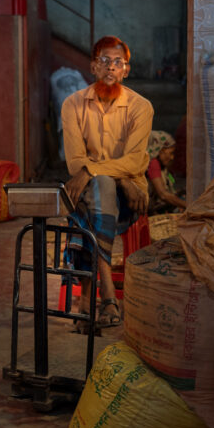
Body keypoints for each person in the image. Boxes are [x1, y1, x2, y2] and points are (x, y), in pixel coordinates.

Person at [60, 35, 153, 329]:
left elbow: (136, 161)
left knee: (100, 188)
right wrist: (113, 176)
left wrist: (100, 173)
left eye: (117, 63)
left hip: (132, 196)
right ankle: (108, 297)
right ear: (92, 67)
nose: (110, 67)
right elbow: (75, 163)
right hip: (94, 193)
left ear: (125, 70)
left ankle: (91, 296)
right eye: (104, 61)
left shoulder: (141, 107)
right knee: (102, 187)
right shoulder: (72, 105)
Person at [146, 130, 186, 213]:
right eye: (170, 153)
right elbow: (163, 194)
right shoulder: (153, 164)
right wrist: (187, 205)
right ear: (160, 151)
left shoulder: (163, 167)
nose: (172, 158)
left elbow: (172, 181)